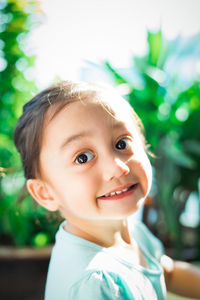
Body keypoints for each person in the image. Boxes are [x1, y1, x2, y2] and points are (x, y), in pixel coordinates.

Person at [14, 80, 200, 300]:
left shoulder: (133, 230)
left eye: (121, 144)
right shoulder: (93, 284)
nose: (118, 167)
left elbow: (167, 273)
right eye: (82, 158)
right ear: (46, 193)